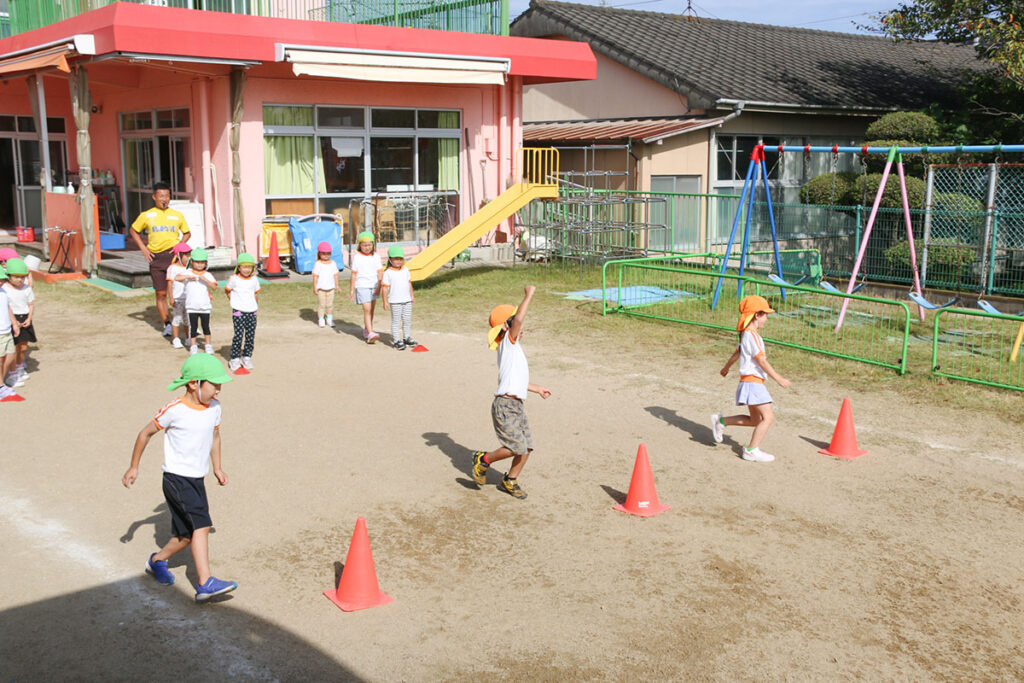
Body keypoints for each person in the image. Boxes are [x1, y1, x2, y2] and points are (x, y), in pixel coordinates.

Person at [121, 354, 237, 602]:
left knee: (185, 537)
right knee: (202, 526)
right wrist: (133, 467)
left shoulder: (215, 408)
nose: (218, 390)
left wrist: (217, 467)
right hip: (176, 479)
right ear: (194, 383)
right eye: (214, 384)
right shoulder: (174, 410)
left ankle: (156, 561)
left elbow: (215, 437)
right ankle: (205, 583)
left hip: (197, 479)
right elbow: (145, 433)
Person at [472, 285, 552, 500]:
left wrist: (537, 388)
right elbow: (518, 321)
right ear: (507, 326)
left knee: (527, 447)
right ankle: (483, 459)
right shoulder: (508, 342)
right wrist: (528, 295)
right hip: (505, 406)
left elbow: (516, 380)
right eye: (515, 321)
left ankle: (510, 480)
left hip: (516, 405)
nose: (520, 325)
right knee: (515, 446)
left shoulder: (513, 349)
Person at [712, 294, 791, 463]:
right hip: (752, 383)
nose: (766, 319)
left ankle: (721, 421)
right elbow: (761, 360)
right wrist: (779, 379)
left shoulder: (746, 335)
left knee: (756, 420)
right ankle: (751, 450)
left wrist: (726, 367)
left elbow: (737, 353)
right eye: (765, 315)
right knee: (768, 418)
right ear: (757, 315)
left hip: (750, 383)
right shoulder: (752, 336)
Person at [129, 182, 190, 336]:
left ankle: (188, 322)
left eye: (167, 196)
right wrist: (143, 248)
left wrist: (179, 246)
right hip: (156, 258)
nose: (164, 199)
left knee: (181, 292)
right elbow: (133, 230)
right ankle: (167, 324)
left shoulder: (177, 215)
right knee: (161, 293)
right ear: (154, 197)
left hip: (173, 258)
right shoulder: (146, 215)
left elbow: (187, 233)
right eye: (161, 196)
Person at [224, 253, 260, 372]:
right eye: (244, 267)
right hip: (238, 311)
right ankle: (234, 358)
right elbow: (227, 290)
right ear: (239, 267)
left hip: (252, 311)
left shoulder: (254, 279)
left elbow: (255, 293)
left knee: (250, 335)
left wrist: (255, 307)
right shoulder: (234, 279)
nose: (247, 270)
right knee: (238, 335)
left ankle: (246, 356)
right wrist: (234, 301)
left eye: (249, 267)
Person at [2, 258, 34, 387]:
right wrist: (14, 322)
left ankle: (20, 366)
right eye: (16, 277)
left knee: (23, 347)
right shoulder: (4, 289)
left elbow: (31, 304)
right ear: (9, 276)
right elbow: (6, 307)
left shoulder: (27, 289)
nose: (20, 280)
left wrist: (29, 318)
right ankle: (12, 372)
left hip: (24, 318)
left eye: (22, 277)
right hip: (12, 319)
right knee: (13, 349)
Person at [349, 231, 382, 344]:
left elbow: (380, 272)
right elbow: (354, 274)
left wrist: (379, 287)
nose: (367, 247)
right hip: (362, 286)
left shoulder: (376, 257)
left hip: (374, 286)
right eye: (364, 245)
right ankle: (371, 332)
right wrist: (351, 289)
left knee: (371, 309)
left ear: (373, 244)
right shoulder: (357, 257)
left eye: (369, 245)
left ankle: (367, 330)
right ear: (360, 245)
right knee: (367, 309)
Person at [380, 245, 416, 350]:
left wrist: (412, 296)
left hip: (407, 300)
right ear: (390, 260)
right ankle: (396, 340)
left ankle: (407, 337)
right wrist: (385, 301)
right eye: (396, 259)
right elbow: (384, 288)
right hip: (395, 301)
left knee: (407, 320)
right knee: (396, 321)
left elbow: (409, 283)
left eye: (401, 259)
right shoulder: (387, 273)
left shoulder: (406, 270)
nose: (399, 261)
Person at [183, 248, 217, 356]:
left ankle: (208, 345)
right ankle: (193, 346)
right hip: (191, 306)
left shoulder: (207, 274)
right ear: (192, 262)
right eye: (197, 262)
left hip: (204, 306)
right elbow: (177, 278)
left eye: (202, 262)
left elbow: (214, 287)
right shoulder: (187, 272)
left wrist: (205, 280)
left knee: (206, 326)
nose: (199, 265)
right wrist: (189, 276)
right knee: (193, 327)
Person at [0, 265, 22, 402]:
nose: (0, 282)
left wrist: (14, 323)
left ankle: (1, 382)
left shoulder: (3, 292)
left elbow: (8, 308)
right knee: (0, 359)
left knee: (10, 355)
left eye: (2, 279)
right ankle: (1, 387)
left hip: (6, 330)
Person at [166, 242, 193, 349]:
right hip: (177, 298)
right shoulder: (172, 268)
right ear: (178, 256)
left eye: (189, 255)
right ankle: (176, 339)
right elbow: (169, 283)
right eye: (186, 255)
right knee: (177, 318)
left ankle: (188, 338)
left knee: (188, 320)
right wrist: (171, 298)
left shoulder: (190, 268)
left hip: (188, 299)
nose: (188, 257)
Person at [311, 241, 342, 328]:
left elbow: (335, 276)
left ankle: (329, 319)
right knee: (322, 305)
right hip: (321, 289)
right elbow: (315, 277)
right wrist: (315, 287)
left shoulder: (333, 263)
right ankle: (321, 319)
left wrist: (337, 286)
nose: (326, 256)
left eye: (328, 253)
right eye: (323, 254)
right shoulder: (318, 264)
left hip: (331, 288)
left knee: (330, 305)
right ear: (319, 253)